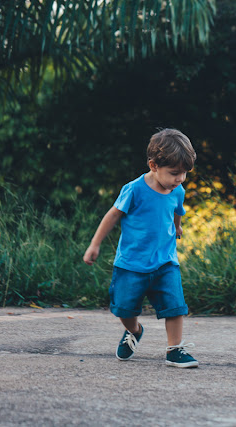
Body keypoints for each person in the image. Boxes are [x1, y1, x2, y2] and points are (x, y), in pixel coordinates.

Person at [83, 128, 199, 368]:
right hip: (131, 264)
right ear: (154, 165)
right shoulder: (134, 189)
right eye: (175, 173)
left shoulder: (177, 189)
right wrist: (95, 245)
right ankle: (134, 330)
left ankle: (175, 349)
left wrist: (177, 227)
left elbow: (178, 210)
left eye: (185, 173)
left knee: (175, 307)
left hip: (166, 261)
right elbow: (113, 215)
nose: (180, 179)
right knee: (124, 309)